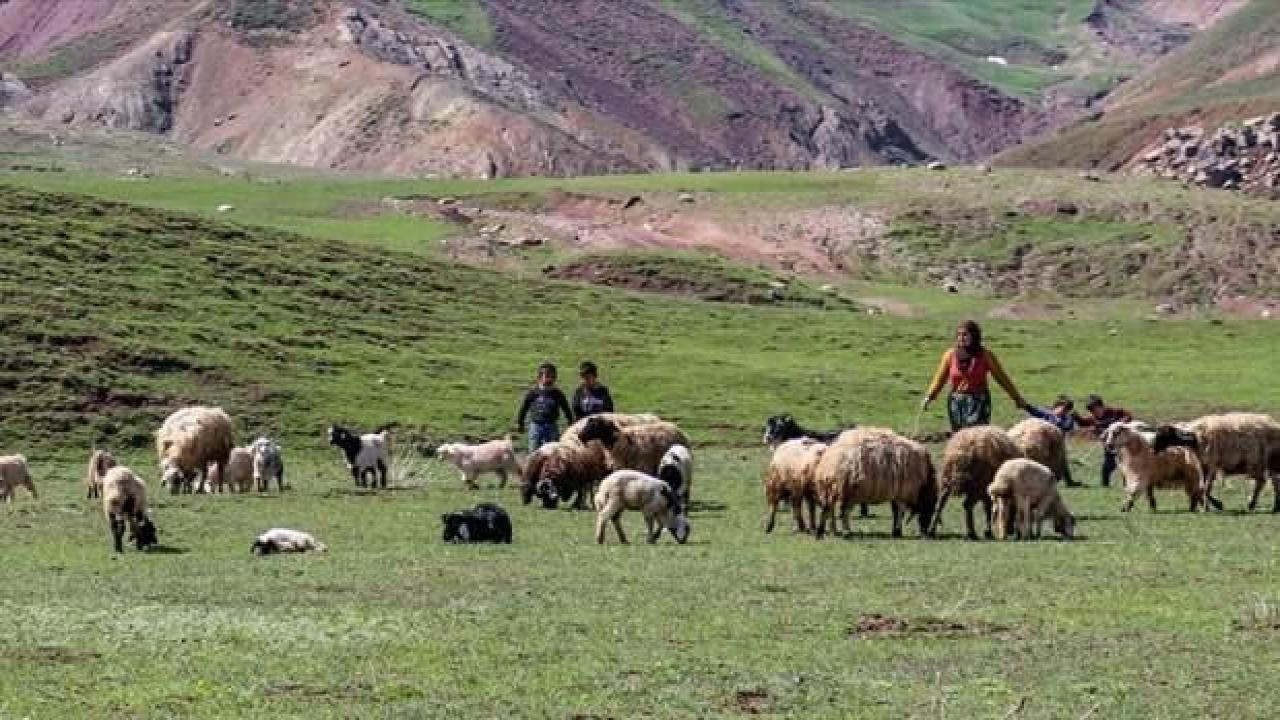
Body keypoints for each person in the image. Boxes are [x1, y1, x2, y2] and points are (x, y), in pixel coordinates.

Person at [921, 320, 1027, 432]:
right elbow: (939, 379)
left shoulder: (985, 355)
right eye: (959, 335)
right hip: (957, 403)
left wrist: (1017, 398)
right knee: (959, 437)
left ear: (974, 336)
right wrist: (929, 397)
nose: (961, 338)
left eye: (965, 334)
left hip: (978, 402)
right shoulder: (950, 355)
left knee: (976, 436)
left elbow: (1002, 378)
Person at [1072, 394, 1133, 487]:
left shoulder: (1114, 412)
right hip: (1109, 447)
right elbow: (1083, 423)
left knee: (1125, 465)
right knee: (1107, 468)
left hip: (1122, 445)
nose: (1094, 413)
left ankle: (1128, 484)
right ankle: (1105, 486)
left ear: (1101, 406)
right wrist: (1076, 417)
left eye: (1095, 410)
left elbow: (1128, 416)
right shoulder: (1094, 418)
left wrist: (1119, 424)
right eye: (1091, 411)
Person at [516, 362, 574, 453]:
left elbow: (566, 408)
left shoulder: (557, 393)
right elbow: (524, 408)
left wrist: (570, 421)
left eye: (551, 376)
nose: (549, 378)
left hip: (551, 426)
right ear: (540, 377)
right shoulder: (533, 392)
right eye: (546, 375)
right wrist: (520, 423)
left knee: (553, 453)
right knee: (533, 452)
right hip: (536, 426)